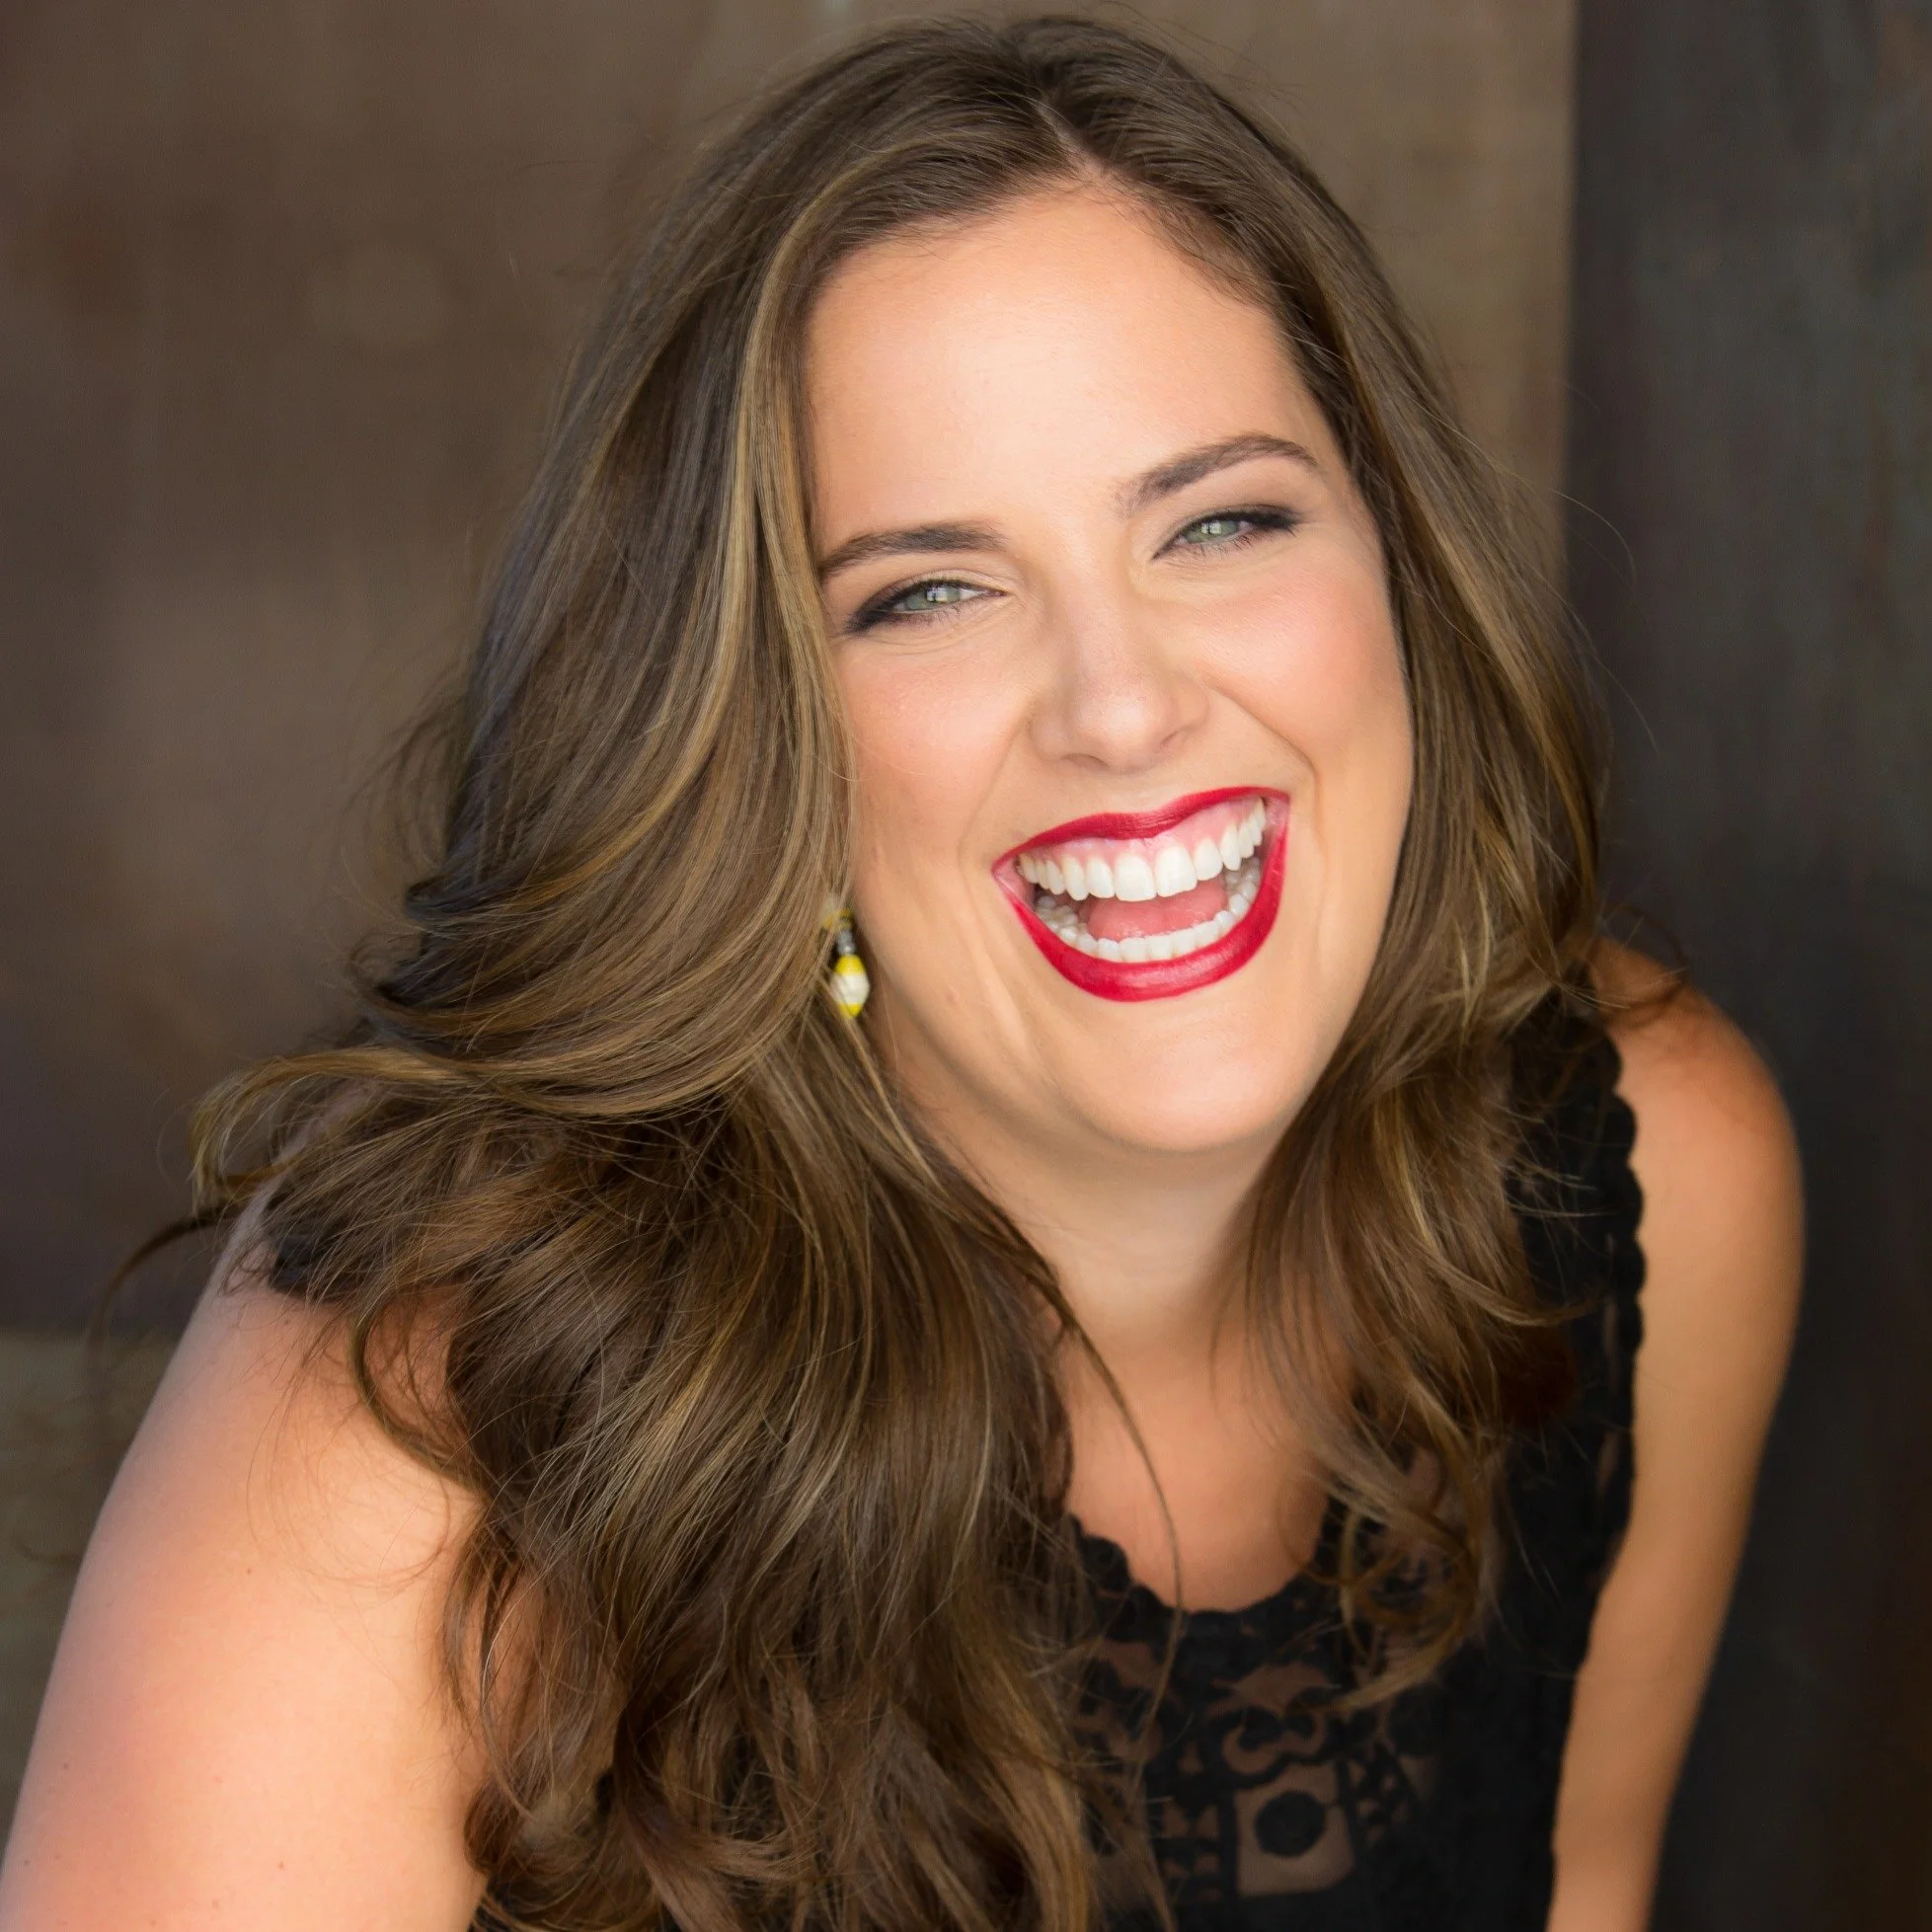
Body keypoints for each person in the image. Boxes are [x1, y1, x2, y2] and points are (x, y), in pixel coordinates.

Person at [0, 17, 1802, 1931]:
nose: (1124, 707)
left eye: (1222, 519)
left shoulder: (1655, 1177)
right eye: (929, 591)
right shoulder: (422, 1412)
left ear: (1396, 572)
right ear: (754, 739)